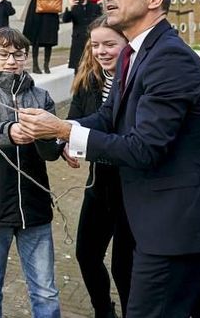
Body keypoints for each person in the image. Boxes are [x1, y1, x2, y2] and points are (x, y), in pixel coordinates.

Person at [18, 0, 200, 318]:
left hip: (178, 224)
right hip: (178, 221)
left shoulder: (169, 58)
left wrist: (63, 131)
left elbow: (144, 148)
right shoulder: (134, 55)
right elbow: (109, 118)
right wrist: (58, 128)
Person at [0, 27, 63, 318]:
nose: (11, 60)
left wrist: (54, 138)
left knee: (45, 291)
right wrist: (11, 130)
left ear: (26, 57)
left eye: (18, 54)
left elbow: (51, 152)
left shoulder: (41, 96)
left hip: (34, 206)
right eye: (3, 54)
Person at [66, 17, 132, 318]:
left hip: (131, 188)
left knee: (124, 265)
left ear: (127, 44)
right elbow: (75, 119)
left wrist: (79, 136)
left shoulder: (135, 80)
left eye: (110, 44)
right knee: (87, 254)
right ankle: (104, 312)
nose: (101, 51)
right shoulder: (88, 81)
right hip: (99, 184)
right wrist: (65, 141)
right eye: (95, 45)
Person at [23, 0, 61, 74]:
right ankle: (35, 65)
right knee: (35, 40)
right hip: (36, 14)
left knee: (48, 41)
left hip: (49, 16)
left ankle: (46, 65)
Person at [63, 0, 103, 70]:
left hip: (91, 38)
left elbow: (100, 20)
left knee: (92, 65)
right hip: (78, 39)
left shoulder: (95, 6)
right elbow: (66, 19)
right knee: (78, 66)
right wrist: (69, 7)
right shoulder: (74, 7)